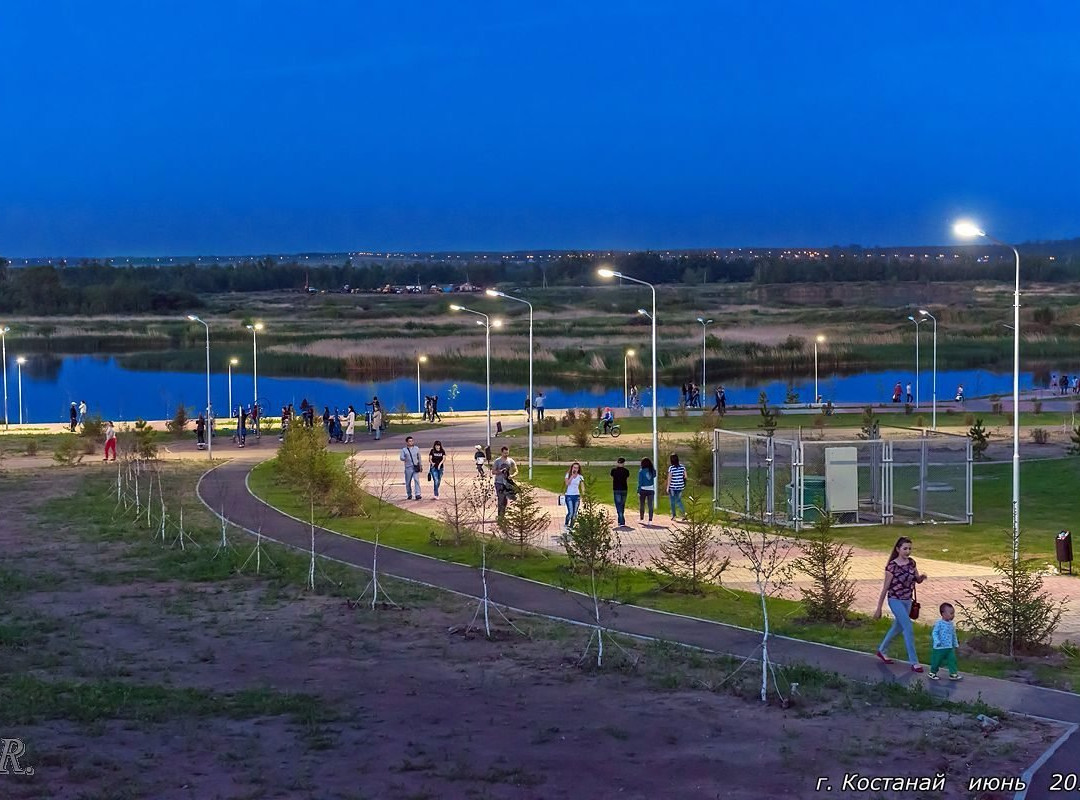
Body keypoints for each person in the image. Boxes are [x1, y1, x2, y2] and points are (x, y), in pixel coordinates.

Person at [874, 536, 927, 672]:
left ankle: (882, 650)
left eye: (909, 548)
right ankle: (914, 662)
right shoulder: (891, 567)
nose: (907, 551)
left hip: (907, 600)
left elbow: (916, 579)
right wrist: (879, 608)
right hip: (895, 600)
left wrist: (921, 578)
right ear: (898, 549)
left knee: (897, 627)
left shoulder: (912, 563)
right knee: (908, 627)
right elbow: (885, 588)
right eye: (905, 548)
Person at [929, 602, 962, 681]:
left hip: (949, 647)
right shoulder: (939, 623)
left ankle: (953, 673)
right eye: (951, 613)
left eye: (953, 613)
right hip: (940, 647)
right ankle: (933, 672)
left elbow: (953, 635)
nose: (953, 615)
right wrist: (937, 641)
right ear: (943, 614)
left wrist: (955, 644)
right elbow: (935, 632)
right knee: (937, 661)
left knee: (952, 660)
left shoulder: (951, 624)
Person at [493, 446, 518, 518]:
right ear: (502, 453)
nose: (506, 454)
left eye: (507, 453)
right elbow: (493, 471)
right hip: (499, 482)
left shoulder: (511, 461)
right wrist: (500, 471)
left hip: (507, 483)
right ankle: (500, 516)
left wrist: (512, 475)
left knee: (505, 500)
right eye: (504, 453)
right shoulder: (497, 461)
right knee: (501, 498)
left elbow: (516, 470)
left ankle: (502, 514)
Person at [400, 435, 423, 500]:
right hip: (408, 467)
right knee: (408, 482)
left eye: (412, 441)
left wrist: (420, 465)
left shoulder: (416, 448)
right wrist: (405, 458)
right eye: (409, 441)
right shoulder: (404, 450)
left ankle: (417, 494)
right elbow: (401, 457)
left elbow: (419, 457)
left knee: (416, 480)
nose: (411, 442)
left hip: (415, 467)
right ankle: (409, 494)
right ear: (407, 442)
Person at [563, 461, 584, 530]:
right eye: (574, 467)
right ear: (572, 468)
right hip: (569, 495)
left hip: (576, 495)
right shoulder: (567, 475)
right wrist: (572, 476)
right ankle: (566, 523)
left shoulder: (580, 477)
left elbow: (582, 486)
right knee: (570, 512)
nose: (575, 469)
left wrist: (584, 495)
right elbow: (567, 483)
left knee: (575, 512)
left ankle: (571, 526)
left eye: (577, 468)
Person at [610, 457, 630, 527]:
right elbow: (627, 479)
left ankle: (621, 521)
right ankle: (620, 519)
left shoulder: (613, 471)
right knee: (622, 504)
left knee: (618, 505)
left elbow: (612, 478)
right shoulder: (626, 471)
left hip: (616, 489)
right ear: (624, 463)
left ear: (617, 463)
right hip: (624, 489)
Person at [666, 454, 687, 519]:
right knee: (678, 500)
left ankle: (674, 515)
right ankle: (683, 513)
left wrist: (667, 487)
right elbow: (686, 476)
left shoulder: (671, 468)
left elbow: (670, 478)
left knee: (672, 501)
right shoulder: (682, 467)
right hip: (680, 487)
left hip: (673, 487)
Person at [638, 456, 656, 522]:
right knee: (650, 505)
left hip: (643, 489)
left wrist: (638, 490)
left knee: (642, 504)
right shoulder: (652, 471)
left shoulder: (641, 471)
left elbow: (640, 482)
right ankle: (650, 519)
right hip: (651, 489)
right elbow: (654, 475)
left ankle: (641, 518)